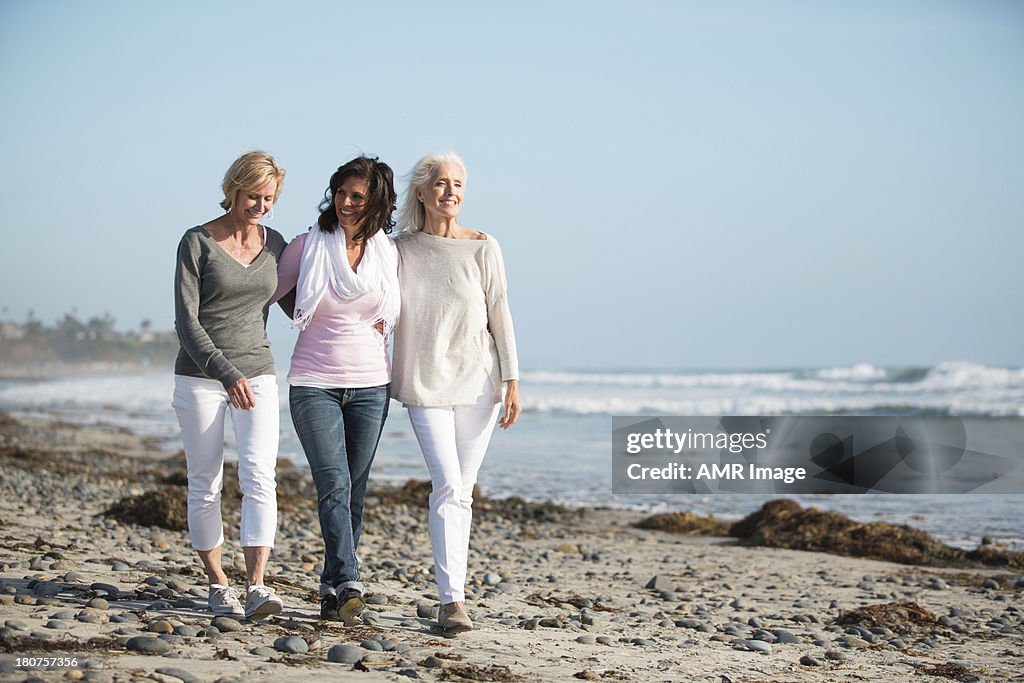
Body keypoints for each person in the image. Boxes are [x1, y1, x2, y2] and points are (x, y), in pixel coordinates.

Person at [392, 152, 521, 634]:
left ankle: (455, 596)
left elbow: (500, 313)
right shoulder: (399, 248)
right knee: (447, 484)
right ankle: (452, 602)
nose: (451, 192)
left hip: (479, 384)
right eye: (442, 183)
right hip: (424, 382)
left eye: (459, 184)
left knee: (461, 491)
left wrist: (512, 379)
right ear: (422, 193)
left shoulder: (484, 247)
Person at [272, 156, 400, 625]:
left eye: (357, 197)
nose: (345, 203)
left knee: (356, 492)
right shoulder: (307, 247)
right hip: (313, 384)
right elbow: (268, 291)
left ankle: (330, 589)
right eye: (341, 192)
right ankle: (350, 581)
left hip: (371, 386)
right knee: (334, 484)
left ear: (376, 202)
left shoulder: (390, 253)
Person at [172, 151, 288, 620]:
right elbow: (186, 321)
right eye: (253, 196)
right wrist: (226, 372)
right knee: (206, 481)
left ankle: (257, 585)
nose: (260, 206)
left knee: (260, 476)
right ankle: (219, 584)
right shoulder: (197, 242)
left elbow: (301, 300)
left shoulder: (275, 244)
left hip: (258, 371)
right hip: (200, 377)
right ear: (233, 189)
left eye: (269, 198)